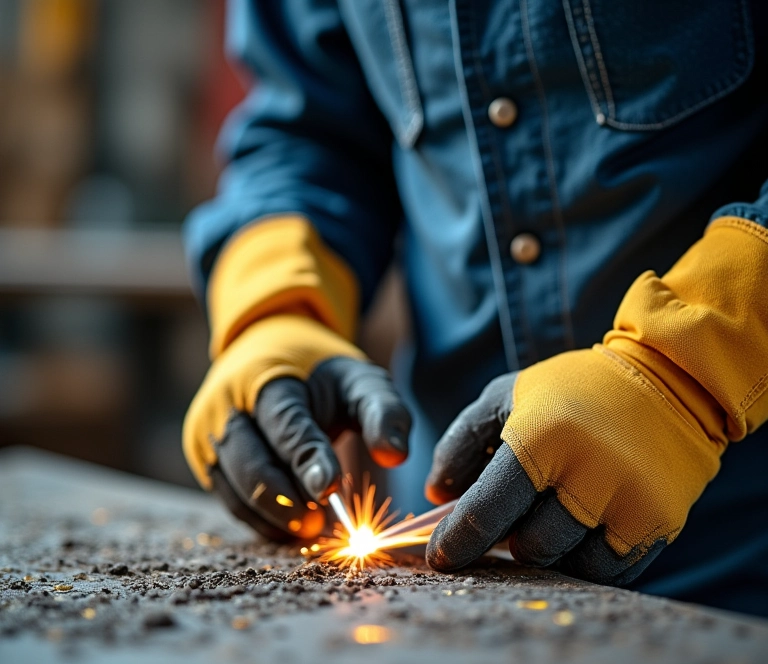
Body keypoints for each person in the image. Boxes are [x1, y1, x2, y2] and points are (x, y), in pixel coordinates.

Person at [183, 1, 768, 616]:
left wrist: (682, 375)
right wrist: (275, 314)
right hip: (449, 553)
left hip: (739, 551)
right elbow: (305, 135)